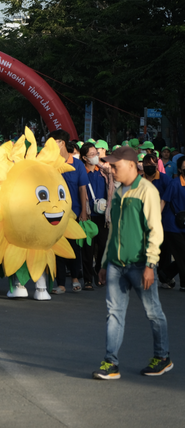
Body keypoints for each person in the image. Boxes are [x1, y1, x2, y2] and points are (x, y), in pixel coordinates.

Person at [93, 146, 171, 380]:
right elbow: (113, 231)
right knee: (113, 314)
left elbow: (155, 230)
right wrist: (105, 263)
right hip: (116, 265)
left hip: (140, 264)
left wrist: (150, 264)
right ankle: (111, 363)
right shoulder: (118, 192)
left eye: (115, 165)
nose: (111, 169)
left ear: (129, 164)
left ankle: (162, 356)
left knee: (153, 312)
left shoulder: (146, 191)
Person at [49, 130, 88, 294]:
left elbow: (82, 188)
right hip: (55, 214)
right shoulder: (50, 163)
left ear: (61, 143)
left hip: (74, 213)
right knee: (57, 247)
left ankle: (75, 278)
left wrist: (84, 211)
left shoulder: (77, 164)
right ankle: (60, 284)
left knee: (73, 248)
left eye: (53, 142)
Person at [80, 143, 109, 290]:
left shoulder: (103, 172)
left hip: (103, 216)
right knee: (88, 248)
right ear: (84, 157)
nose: (95, 156)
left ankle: (98, 270)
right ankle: (87, 279)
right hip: (88, 215)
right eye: (92, 154)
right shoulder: (82, 172)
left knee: (103, 246)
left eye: (96, 153)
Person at [159, 155, 185, 291]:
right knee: (182, 254)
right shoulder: (175, 184)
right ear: (180, 169)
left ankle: (165, 274)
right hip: (172, 224)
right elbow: (164, 201)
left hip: (183, 224)